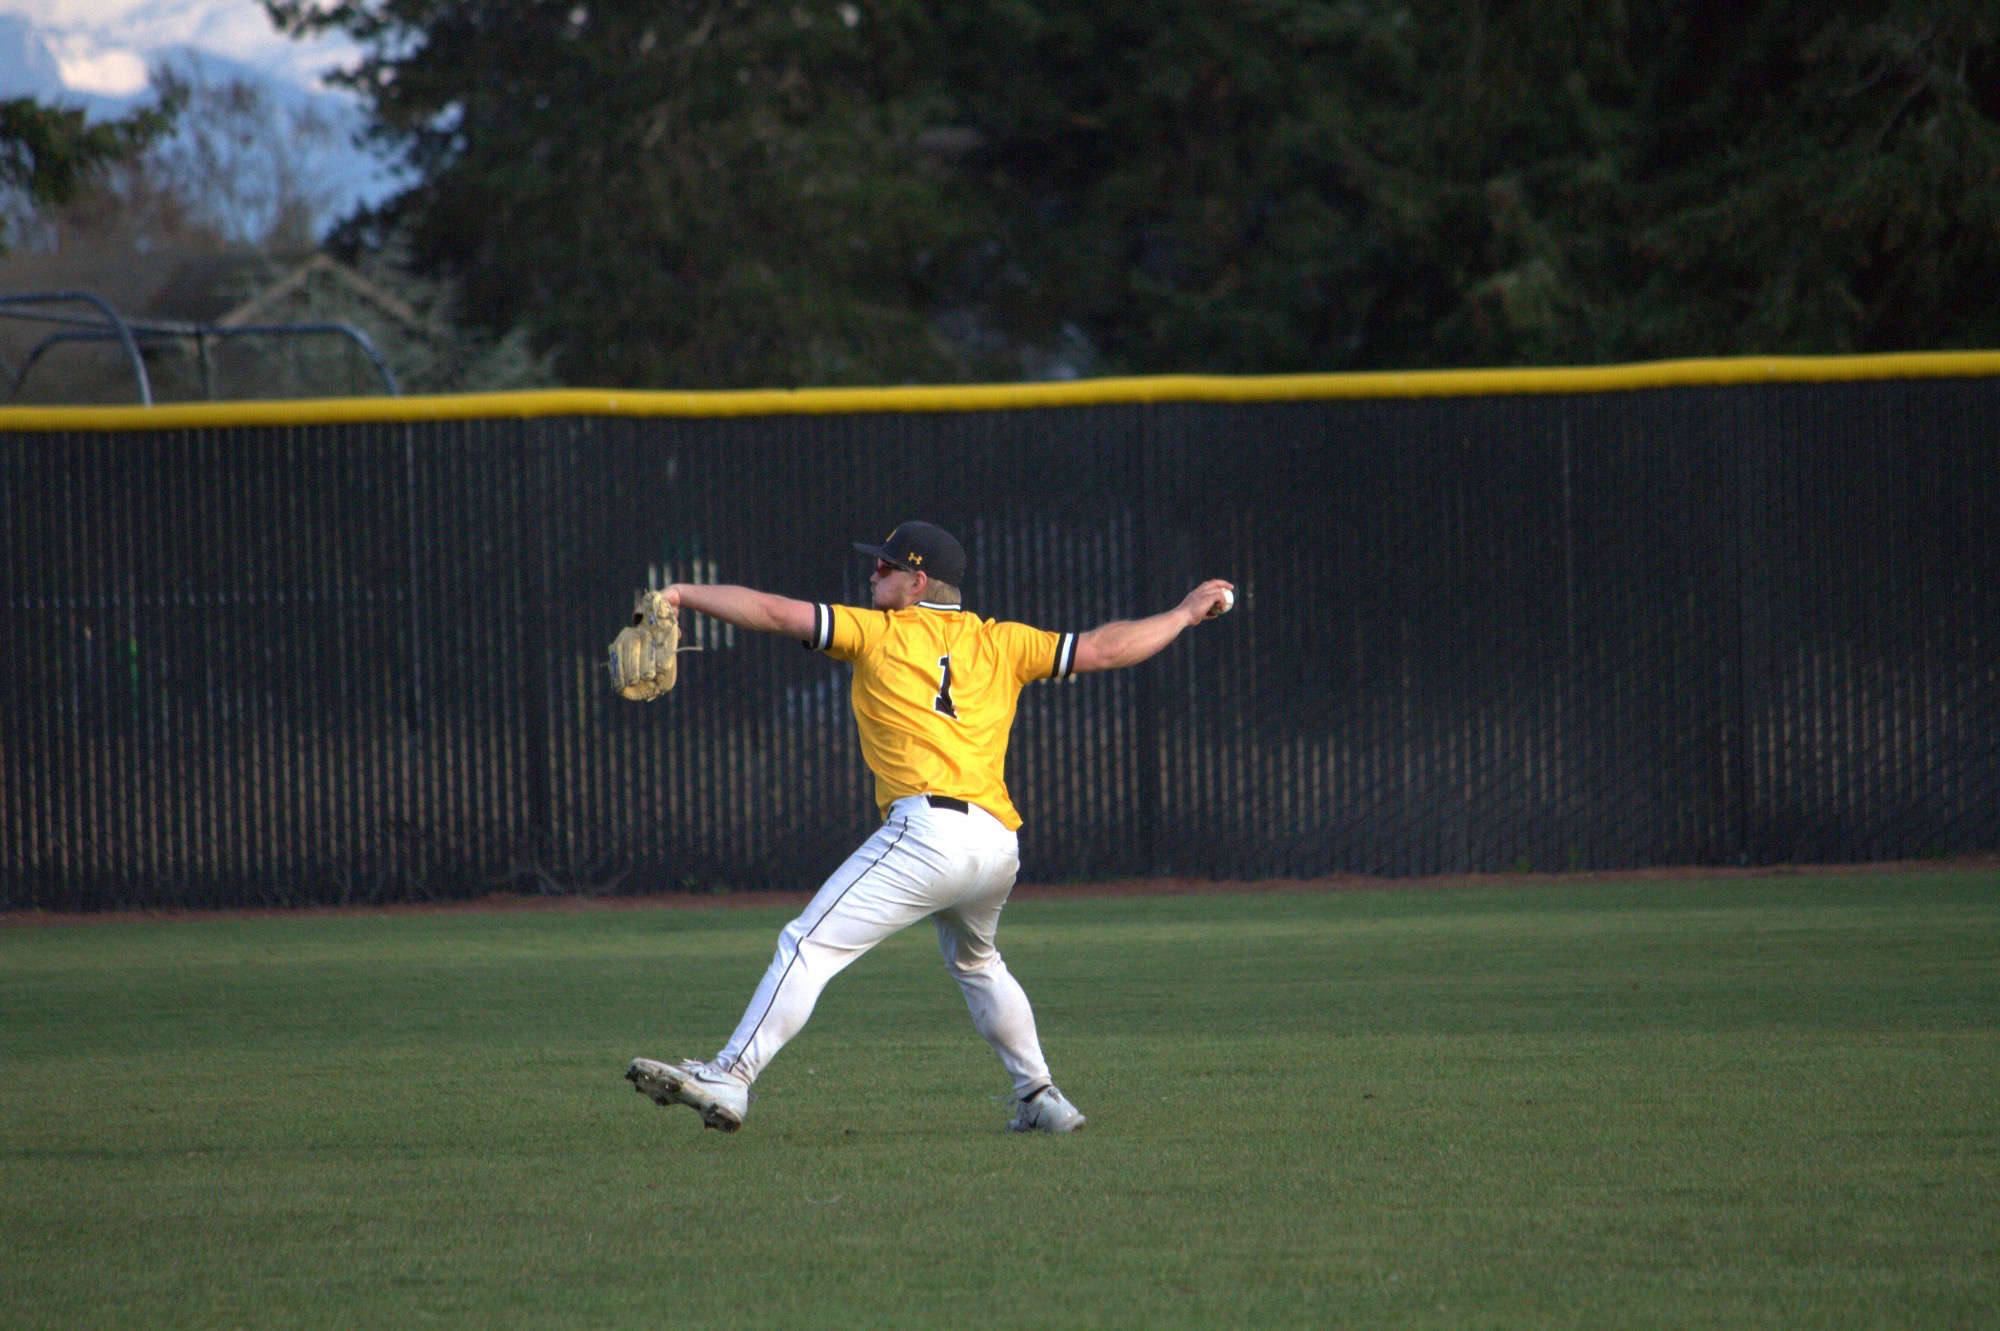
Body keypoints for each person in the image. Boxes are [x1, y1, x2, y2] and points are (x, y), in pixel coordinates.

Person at [626, 520, 1234, 1133]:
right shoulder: (1002, 642)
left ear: (917, 583)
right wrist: (1182, 614)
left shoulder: (876, 632)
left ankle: (731, 1076)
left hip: (928, 833)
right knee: (978, 963)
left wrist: (681, 594)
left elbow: (774, 613)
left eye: (885, 568)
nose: (873, 574)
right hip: (997, 845)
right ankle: (1041, 1097)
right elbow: (1105, 648)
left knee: (808, 944)